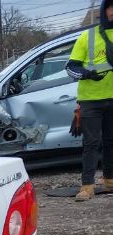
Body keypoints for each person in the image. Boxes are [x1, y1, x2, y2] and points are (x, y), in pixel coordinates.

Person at [65, 0, 113, 201]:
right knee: (91, 143)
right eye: (110, 7)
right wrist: (86, 74)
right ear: (104, 10)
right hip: (90, 100)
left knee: (112, 141)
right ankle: (87, 186)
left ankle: (110, 180)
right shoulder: (88, 36)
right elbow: (70, 68)